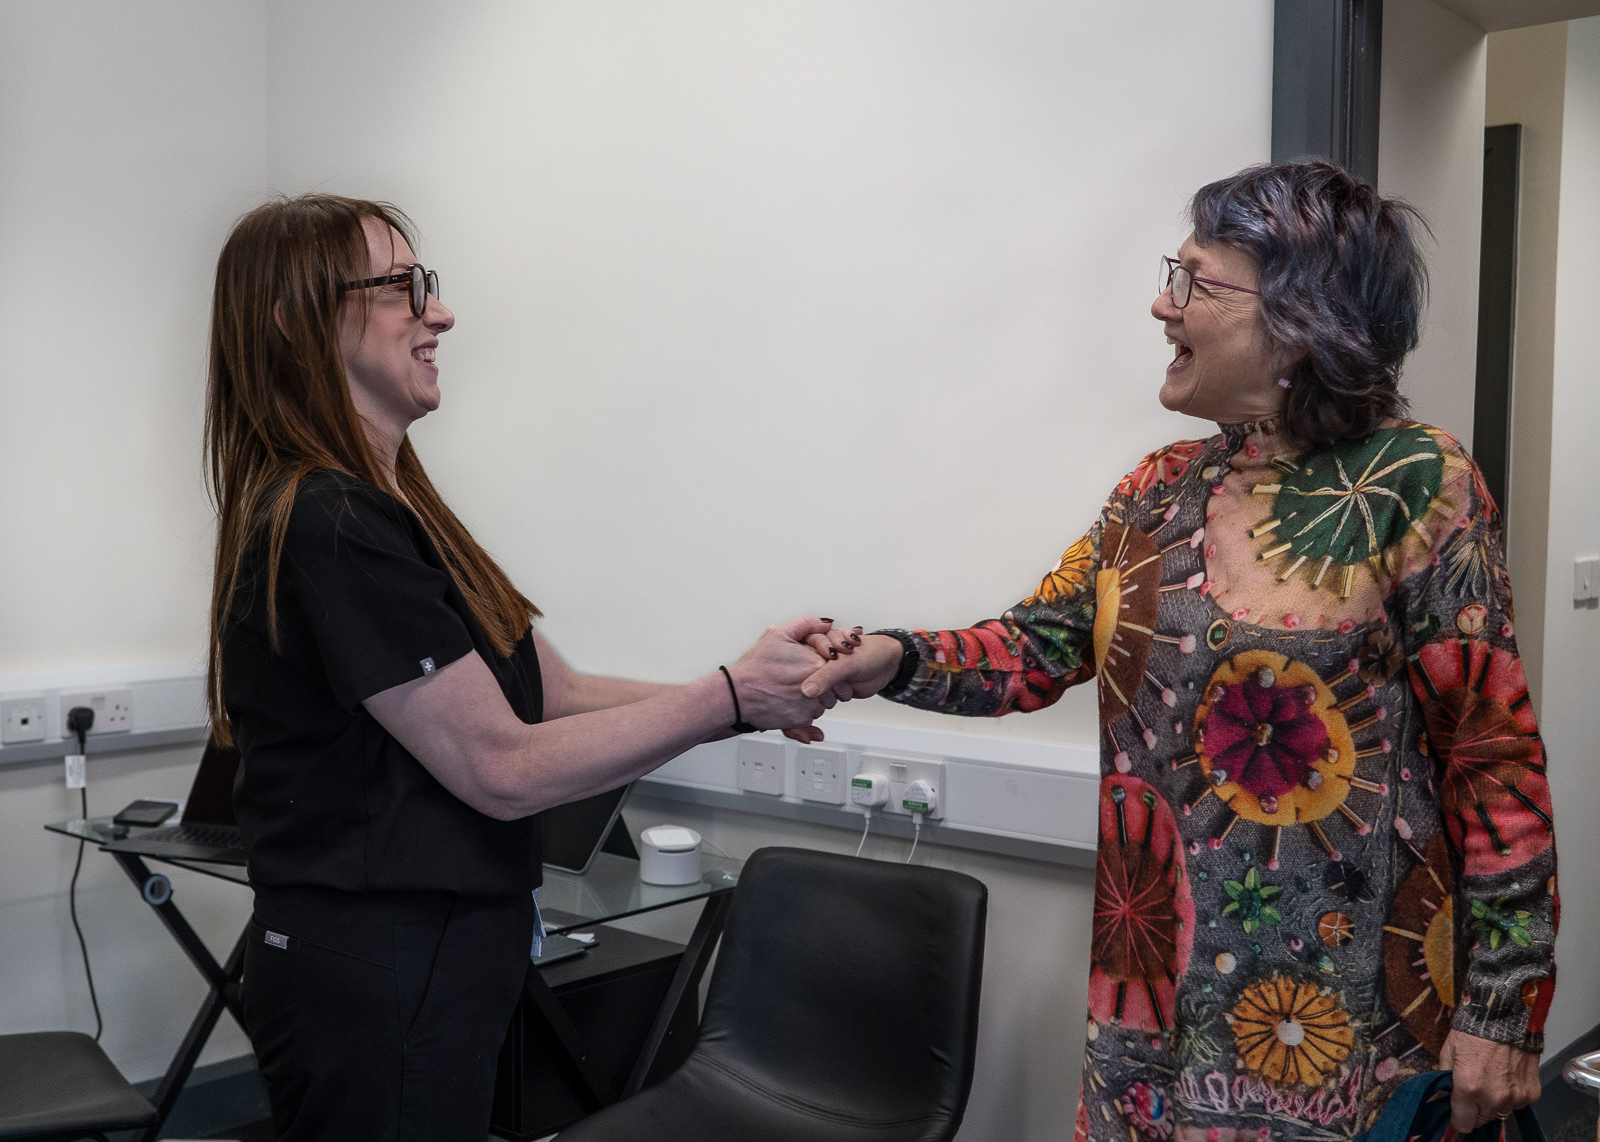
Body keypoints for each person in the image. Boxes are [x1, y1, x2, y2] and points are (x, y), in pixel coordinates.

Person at [803, 160, 1558, 1141]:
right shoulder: (1155, 490)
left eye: (1195, 281)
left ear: (1301, 316)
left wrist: (1504, 1007)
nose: (1163, 305)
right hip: (1149, 1014)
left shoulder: (1418, 482)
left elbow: (1493, 759)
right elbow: (1035, 645)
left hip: (1345, 1036)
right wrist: (890, 657)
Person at [204, 194, 840, 1142]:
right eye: (402, 287)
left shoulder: (399, 505)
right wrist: (730, 696)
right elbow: (500, 767)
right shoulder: (329, 520)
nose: (441, 313)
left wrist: (756, 691)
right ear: (296, 319)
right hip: (378, 965)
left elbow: (557, 694)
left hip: (434, 957)